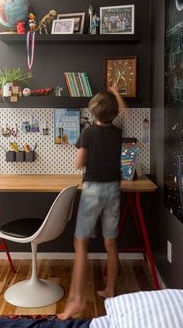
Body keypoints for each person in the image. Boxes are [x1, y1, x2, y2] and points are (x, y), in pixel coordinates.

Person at [58, 83, 126, 320]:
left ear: (92, 111)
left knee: (81, 243)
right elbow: (123, 112)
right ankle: (110, 291)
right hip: (114, 190)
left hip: (93, 190)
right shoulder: (117, 133)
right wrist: (116, 93)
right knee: (111, 244)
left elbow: (78, 164)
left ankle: (77, 300)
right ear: (113, 113)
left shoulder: (87, 133)